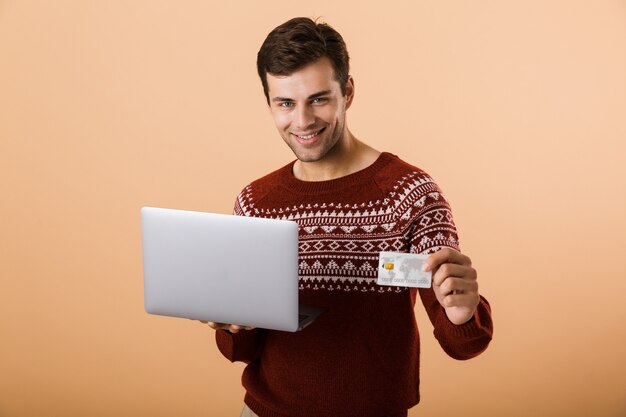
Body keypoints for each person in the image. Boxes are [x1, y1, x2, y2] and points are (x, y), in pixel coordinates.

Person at [202, 17, 493, 417]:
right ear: (268, 101)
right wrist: (234, 324)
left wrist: (461, 313)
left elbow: (462, 341)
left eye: (318, 99)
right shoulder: (256, 203)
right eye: (285, 103)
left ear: (348, 92)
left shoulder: (410, 193)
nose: (302, 121)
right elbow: (244, 351)